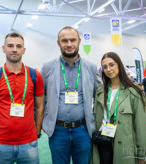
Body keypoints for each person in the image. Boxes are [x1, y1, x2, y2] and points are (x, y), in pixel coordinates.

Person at [41, 26, 101, 164]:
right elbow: (39, 97)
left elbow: (100, 96)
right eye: (64, 41)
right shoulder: (47, 67)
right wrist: (44, 121)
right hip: (58, 131)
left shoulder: (91, 67)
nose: (69, 44)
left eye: (72, 40)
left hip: (83, 131)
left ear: (79, 41)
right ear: (58, 43)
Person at [0, 32, 44, 164]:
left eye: (18, 46)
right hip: (0, 144)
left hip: (29, 142)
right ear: (3, 48)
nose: (14, 49)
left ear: (24, 50)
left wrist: (37, 131)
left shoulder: (35, 76)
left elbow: (40, 107)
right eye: (10, 46)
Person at [91, 52, 146, 164]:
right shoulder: (100, 91)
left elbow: (141, 125)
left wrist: (141, 154)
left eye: (112, 65)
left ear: (119, 65)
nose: (108, 69)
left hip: (124, 143)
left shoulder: (135, 92)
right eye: (105, 67)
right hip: (103, 140)